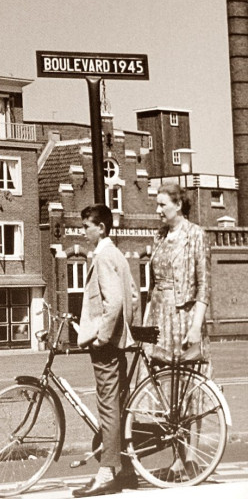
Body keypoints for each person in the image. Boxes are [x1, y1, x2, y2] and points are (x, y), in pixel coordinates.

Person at [142, 182, 211, 477]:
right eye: (157, 205)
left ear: (178, 205)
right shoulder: (159, 236)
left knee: (186, 389)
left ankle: (189, 458)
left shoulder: (196, 235)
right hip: (158, 317)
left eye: (162, 205)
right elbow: (153, 285)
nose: (157, 210)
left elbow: (204, 286)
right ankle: (176, 456)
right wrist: (144, 327)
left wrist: (196, 325)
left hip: (183, 318)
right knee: (164, 388)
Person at [73, 204, 138, 498]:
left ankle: (106, 473)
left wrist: (102, 337)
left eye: (87, 225)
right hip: (117, 342)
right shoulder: (118, 255)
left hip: (106, 345)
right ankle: (126, 470)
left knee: (108, 407)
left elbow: (113, 303)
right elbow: (133, 296)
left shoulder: (103, 257)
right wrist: (125, 329)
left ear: (101, 228)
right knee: (119, 406)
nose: (83, 230)